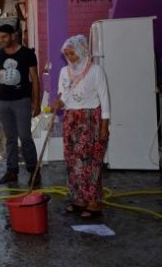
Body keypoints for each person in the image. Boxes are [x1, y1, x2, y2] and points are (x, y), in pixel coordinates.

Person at [52, 35, 110, 219]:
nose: (70, 57)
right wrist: (59, 102)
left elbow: (105, 99)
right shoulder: (64, 72)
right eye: (67, 54)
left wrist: (104, 125)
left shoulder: (96, 70)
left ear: (82, 51)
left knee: (91, 161)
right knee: (73, 160)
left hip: (91, 119)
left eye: (72, 53)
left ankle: (94, 202)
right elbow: (63, 95)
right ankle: (79, 199)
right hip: (71, 119)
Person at [0, 24, 41, 186]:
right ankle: (12, 171)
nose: (1, 40)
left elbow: (35, 79)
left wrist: (36, 103)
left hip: (22, 101)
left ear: (13, 36)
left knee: (25, 137)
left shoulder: (27, 54)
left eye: (4, 37)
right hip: (3, 102)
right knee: (10, 138)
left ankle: (34, 172)